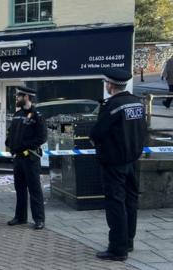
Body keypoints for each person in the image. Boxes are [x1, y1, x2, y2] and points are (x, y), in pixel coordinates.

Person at [90, 69, 147, 261]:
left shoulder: (112, 105)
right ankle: (128, 241)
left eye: (106, 82)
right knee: (131, 202)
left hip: (114, 163)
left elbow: (97, 133)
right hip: (132, 161)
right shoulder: (136, 102)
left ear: (110, 85)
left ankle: (117, 249)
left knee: (115, 204)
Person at [5, 86, 47, 230]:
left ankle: (39, 219)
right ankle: (20, 217)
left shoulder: (37, 115)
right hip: (18, 159)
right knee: (20, 189)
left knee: (34, 190)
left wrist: (25, 145)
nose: (16, 98)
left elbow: (42, 137)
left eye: (18, 96)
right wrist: (9, 143)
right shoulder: (17, 114)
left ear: (27, 97)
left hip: (30, 158)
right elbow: (11, 132)